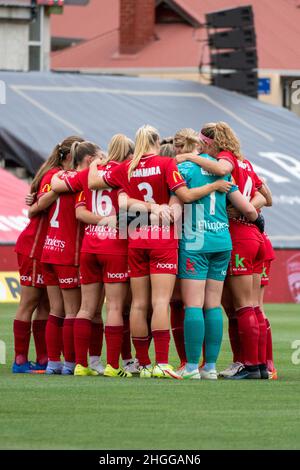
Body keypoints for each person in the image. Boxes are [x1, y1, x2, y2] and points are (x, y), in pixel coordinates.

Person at [88, 125, 232, 379]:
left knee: (139, 304)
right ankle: (162, 363)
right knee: (161, 302)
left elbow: (95, 184)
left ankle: (142, 363)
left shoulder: (127, 167)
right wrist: (162, 208)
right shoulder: (167, 164)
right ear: (157, 141)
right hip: (163, 239)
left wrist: (94, 163)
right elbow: (183, 198)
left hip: (134, 236)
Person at [177, 122, 269, 379]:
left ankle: (192, 367)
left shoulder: (186, 166)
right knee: (213, 305)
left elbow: (178, 199)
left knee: (193, 305)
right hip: (222, 240)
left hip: (195, 239)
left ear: (203, 142)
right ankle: (211, 368)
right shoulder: (226, 172)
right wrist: (250, 217)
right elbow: (251, 210)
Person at [51, 135, 134, 378]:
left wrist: (55, 174)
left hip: (90, 246)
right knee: (116, 307)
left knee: (86, 309)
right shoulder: (124, 171)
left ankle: (81, 363)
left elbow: (60, 185)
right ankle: (112, 366)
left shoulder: (89, 173)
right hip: (115, 246)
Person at [12, 136, 83, 373]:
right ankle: (20, 359)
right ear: (69, 156)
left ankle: (44, 358)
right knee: (30, 303)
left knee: (46, 305)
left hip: (49, 249)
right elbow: (37, 208)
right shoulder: (54, 175)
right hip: (35, 247)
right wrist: (45, 196)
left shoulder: (62, 176)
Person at [34, 141, 96, 375]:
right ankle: (70, 363)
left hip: (49, 249)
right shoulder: (82, 180)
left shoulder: (57, 176)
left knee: (55, 310)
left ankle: (52, 363)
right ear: (88, 159)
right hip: (68, 252)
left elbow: (40, 202)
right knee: (72, 311)